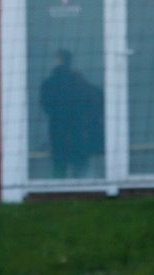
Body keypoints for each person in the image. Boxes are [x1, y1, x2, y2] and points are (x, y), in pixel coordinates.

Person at [39, 49, 103, 179]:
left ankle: (57, 189)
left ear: (57, 60)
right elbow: (97, 98)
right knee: (80, 167)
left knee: (59, 167)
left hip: (58, 132)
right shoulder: (79, 82)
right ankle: (83, 189)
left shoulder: (49, 84)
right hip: (79, 132)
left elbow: (46, 106)